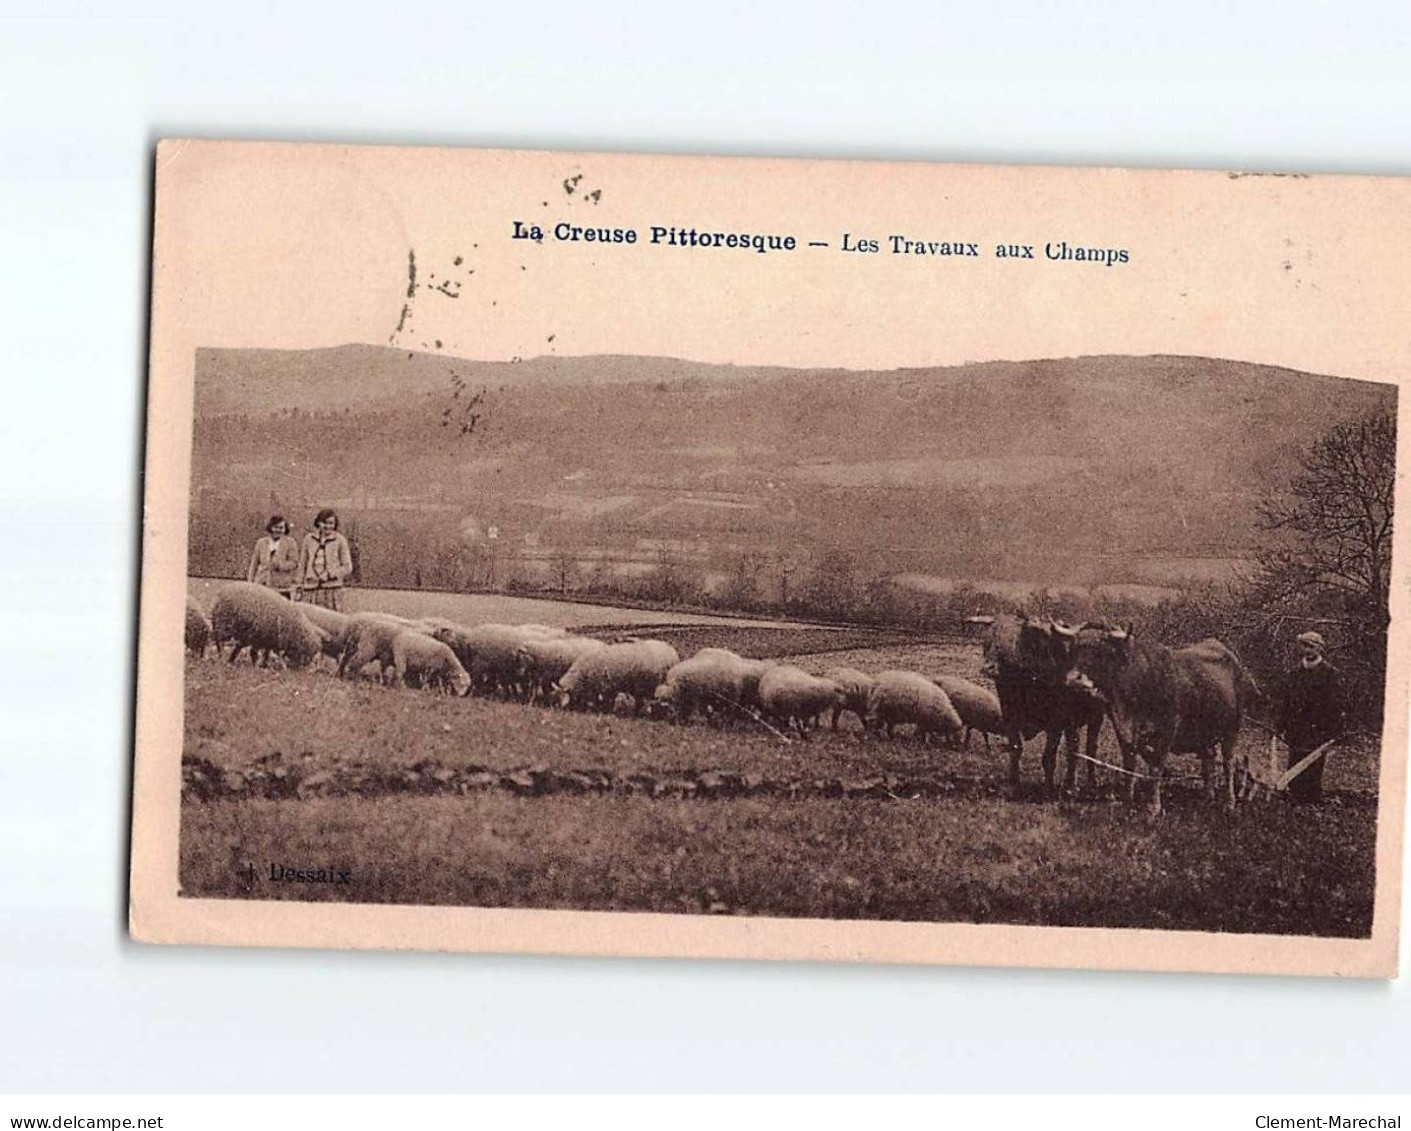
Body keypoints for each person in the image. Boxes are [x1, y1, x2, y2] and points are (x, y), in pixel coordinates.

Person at [1277, 630, 1344, 805]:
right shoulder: (1295, 674)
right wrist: (1280, 725)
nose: (1307, 650)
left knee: (1314, 762)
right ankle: (1294, 795)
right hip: (1296, 728)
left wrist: (1334, 730)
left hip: (1318, 728)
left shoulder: (1330, 674)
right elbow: (1286, 703)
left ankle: (1312, 798)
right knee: (1295, 759)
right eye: (1304, 646)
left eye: (1311, 646)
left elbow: (1336, 706)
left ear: (1320, 649)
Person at [298, 508, 354, 611]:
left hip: (332, 590)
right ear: (318, 523)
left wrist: (330, 574)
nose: (328, 526)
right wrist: (299, 586)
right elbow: (302, 564)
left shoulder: (340, 540)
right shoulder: (308, 539)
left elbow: (347, 567)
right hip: (310, 590)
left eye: (331, 523)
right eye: (325, 523)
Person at [246, 514, 300, 599]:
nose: (278, 530)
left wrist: (280, 565)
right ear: (271, 528)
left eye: (281, 528)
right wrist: (250, 583)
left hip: (281, 586)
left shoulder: (290, 543)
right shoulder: (261, 542)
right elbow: (254, 564)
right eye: (276, 527)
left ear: (285, 529)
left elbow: (294, 563)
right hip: (262, 584)